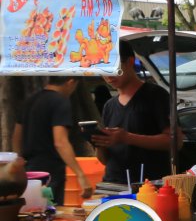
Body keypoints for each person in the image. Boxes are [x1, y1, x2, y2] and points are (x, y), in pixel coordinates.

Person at [92, 40, 178, 185]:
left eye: (114, 68)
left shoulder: (156, 95)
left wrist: (127, 137)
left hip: (148, 185)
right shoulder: (109, 106)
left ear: (130, 62)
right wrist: (99, 143)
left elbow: (175, 141)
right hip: (112, 184)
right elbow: (105, 160)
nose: (108, 75)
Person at [12, 77, 93, 203]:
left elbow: (16, 136)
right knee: (49, 211)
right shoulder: (60, 101)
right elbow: (60, 142)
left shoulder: (30, 100)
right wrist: (80, 175)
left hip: (29, 171)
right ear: (71, 82)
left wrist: (19, 161)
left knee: (34, 213)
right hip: (49, 175)